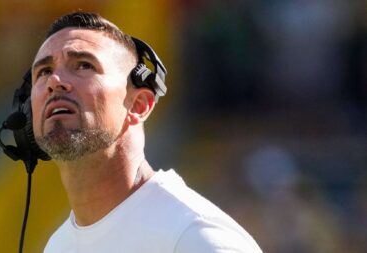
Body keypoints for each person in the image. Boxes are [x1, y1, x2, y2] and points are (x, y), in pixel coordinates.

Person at [29, 11, 262, 253]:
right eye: (44, 71)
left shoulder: (197, 238)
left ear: (138, 105)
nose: (54, 80)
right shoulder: (57, 246)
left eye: (84, 65)